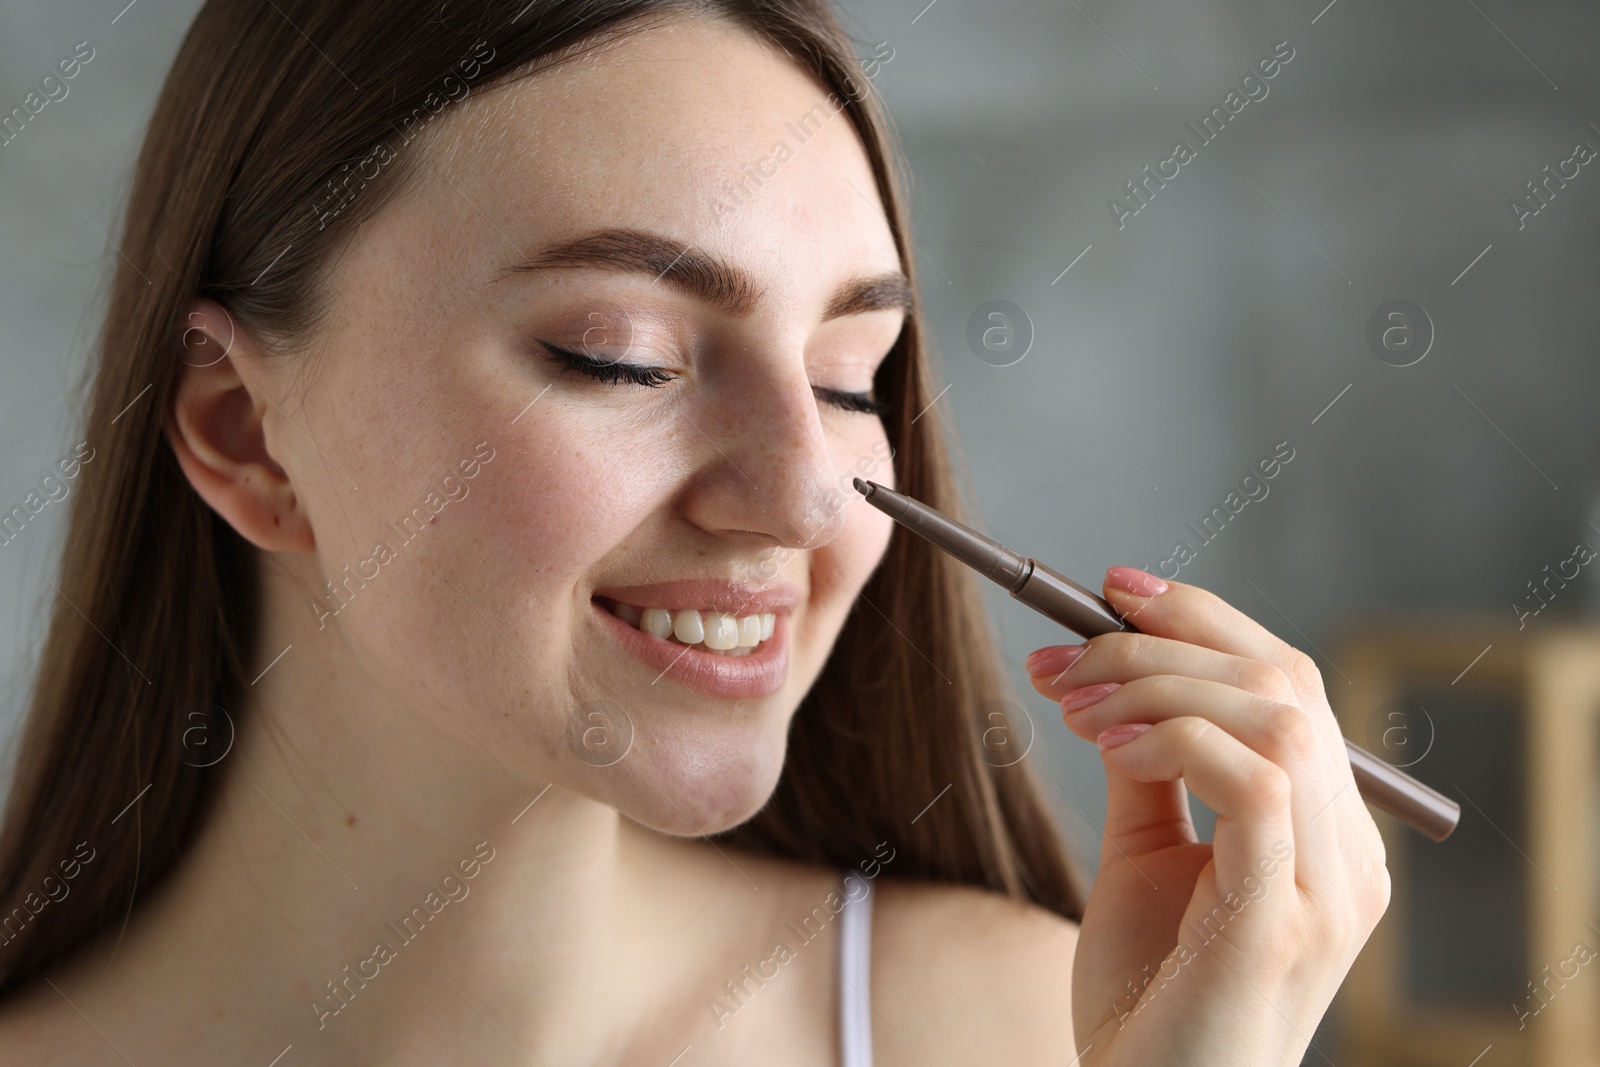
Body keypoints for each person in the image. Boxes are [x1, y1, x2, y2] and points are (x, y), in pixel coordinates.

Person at [0, 1, 1388, 1063]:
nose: (804, 497)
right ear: (244, 428)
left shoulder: (1019, 1034)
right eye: (622, 357)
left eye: (853, 378)